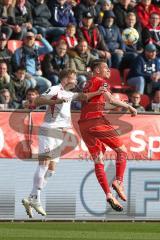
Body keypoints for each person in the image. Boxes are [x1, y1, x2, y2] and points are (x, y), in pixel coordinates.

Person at [22, 68, 105, 218]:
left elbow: (84, 96)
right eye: (73, 78)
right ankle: (36, 198)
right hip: (49, 130)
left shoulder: (69, 93)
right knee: (44, 164)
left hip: (59, 133)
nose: (75, 81)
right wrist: (54, 100)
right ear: (66, 79)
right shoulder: (55, 89)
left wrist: (98, 92)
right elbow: (38, 100)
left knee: (52, 170)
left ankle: (31, 197)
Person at [78, 59, 137, 212]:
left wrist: (121, 105)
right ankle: (118, 181)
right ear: (97, 70)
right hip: (96, 120)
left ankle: (108, 195)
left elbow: (101, 102)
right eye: (105, 68)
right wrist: (129, 106)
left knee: (99, 159)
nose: (108, 71)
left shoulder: (88, 83)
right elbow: (110, 99)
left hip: (83, 124)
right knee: (122, 150)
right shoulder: (101, 81)